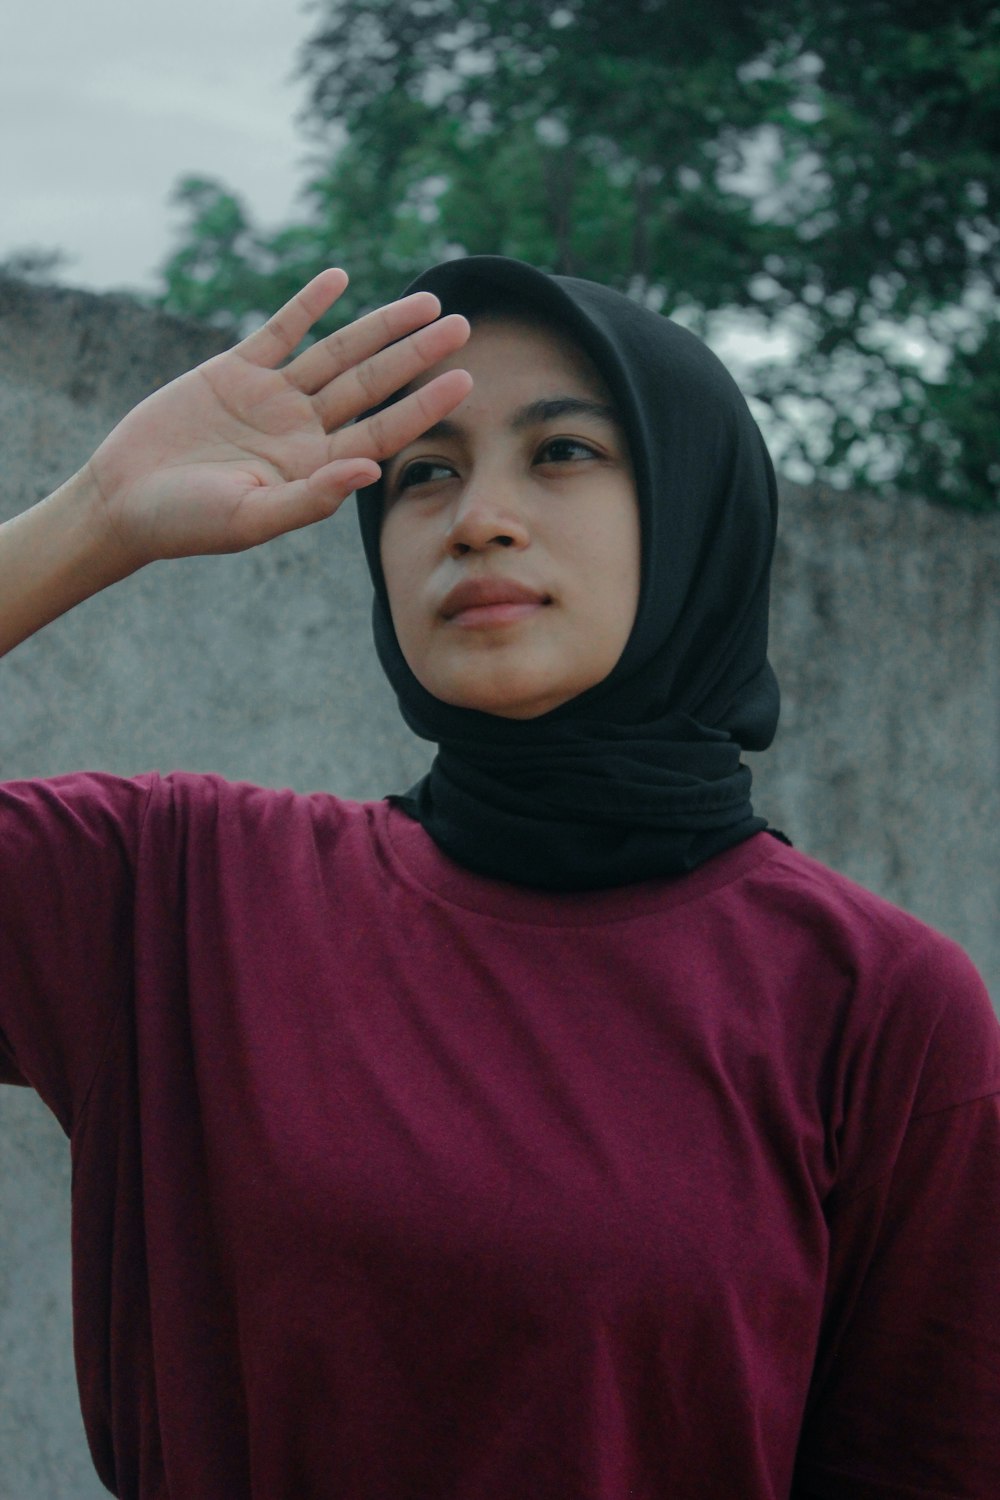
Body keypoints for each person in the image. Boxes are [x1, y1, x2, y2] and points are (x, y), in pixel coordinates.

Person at [0, 255, 997, 1500]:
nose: (479, 516)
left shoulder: (876, 1003)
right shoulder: (172, 893)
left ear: (693, 507)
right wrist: (94, 514)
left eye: (564, 451)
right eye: (425, 472)